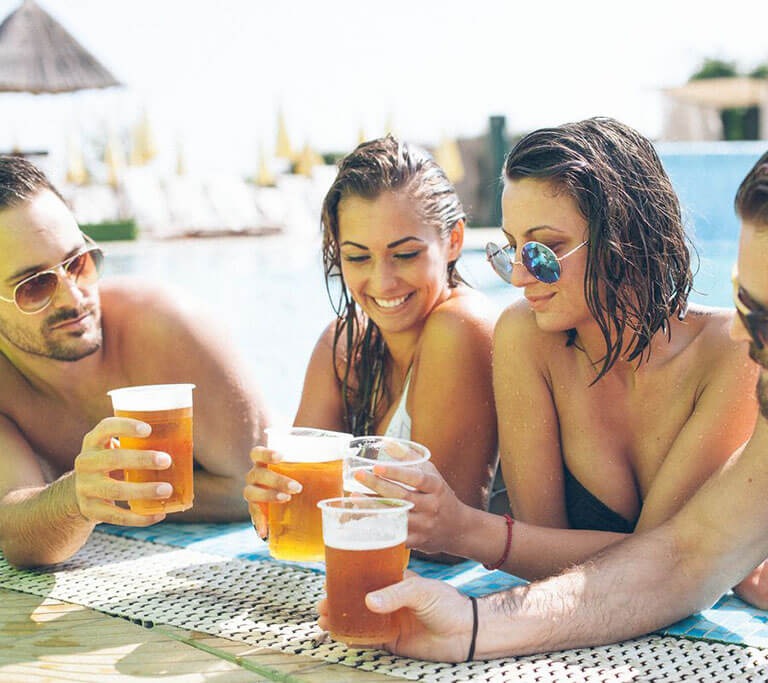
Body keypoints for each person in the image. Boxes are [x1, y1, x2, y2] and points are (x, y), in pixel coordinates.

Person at [339, 110, 768, 661]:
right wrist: (472, 625)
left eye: (760, 312)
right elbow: (683, 556)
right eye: (736, 300)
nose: (736, 333)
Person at [0, 156, 268, 569]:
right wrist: (76, 496)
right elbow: (18, 534)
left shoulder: (165, 327)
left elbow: (254, 487)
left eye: (78, 263)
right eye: (36, 285)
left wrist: (104, 491)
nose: (74, 298)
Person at [243, 137, 498, 548]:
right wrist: (271, 501)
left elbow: (439, 542)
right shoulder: (345, 345)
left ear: (453, 240)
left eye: (406, 254)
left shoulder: (461, 327)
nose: (382, 282)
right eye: (358, 258)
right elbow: (296, 518)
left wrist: (325, 503)